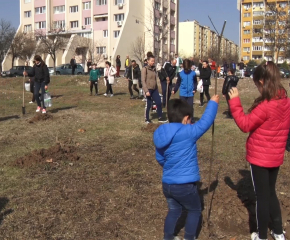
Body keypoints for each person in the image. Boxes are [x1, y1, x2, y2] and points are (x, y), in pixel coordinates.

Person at [228, 61, 290, 240]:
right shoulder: (284, 100)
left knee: (262, 197)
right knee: (271, 192)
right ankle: (278, 232)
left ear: (262, 82)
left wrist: (235, 103)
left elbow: (245, 124)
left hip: (260, 158)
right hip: (275, 156)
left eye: (256, 85)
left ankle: (261, 236)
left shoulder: (266, 106)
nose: (257, 89)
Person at [153, 96, 219, 240]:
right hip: (184, 185)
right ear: (185, 118)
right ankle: (189, 238)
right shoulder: (188, 132)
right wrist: (213, 102)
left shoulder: (162, 134)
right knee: (195, 210)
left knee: (174, 210)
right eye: (190, 120)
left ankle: (168, 237)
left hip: (167, 184)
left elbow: (160, 158)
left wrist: (171, 167)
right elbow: (205, 122)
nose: (191, 123)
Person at [141, 55, 167, 123]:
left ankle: (160, 117)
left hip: (154, 89)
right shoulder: (145, 69)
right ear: (148, 61)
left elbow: (155, 79)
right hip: (148, 89)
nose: (153, 62)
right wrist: (146, 91)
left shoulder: (154, 69)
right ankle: (147, 118)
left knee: (158, 102)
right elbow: (143, 81)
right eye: (152, 61)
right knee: (149, 104)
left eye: (154, 61)